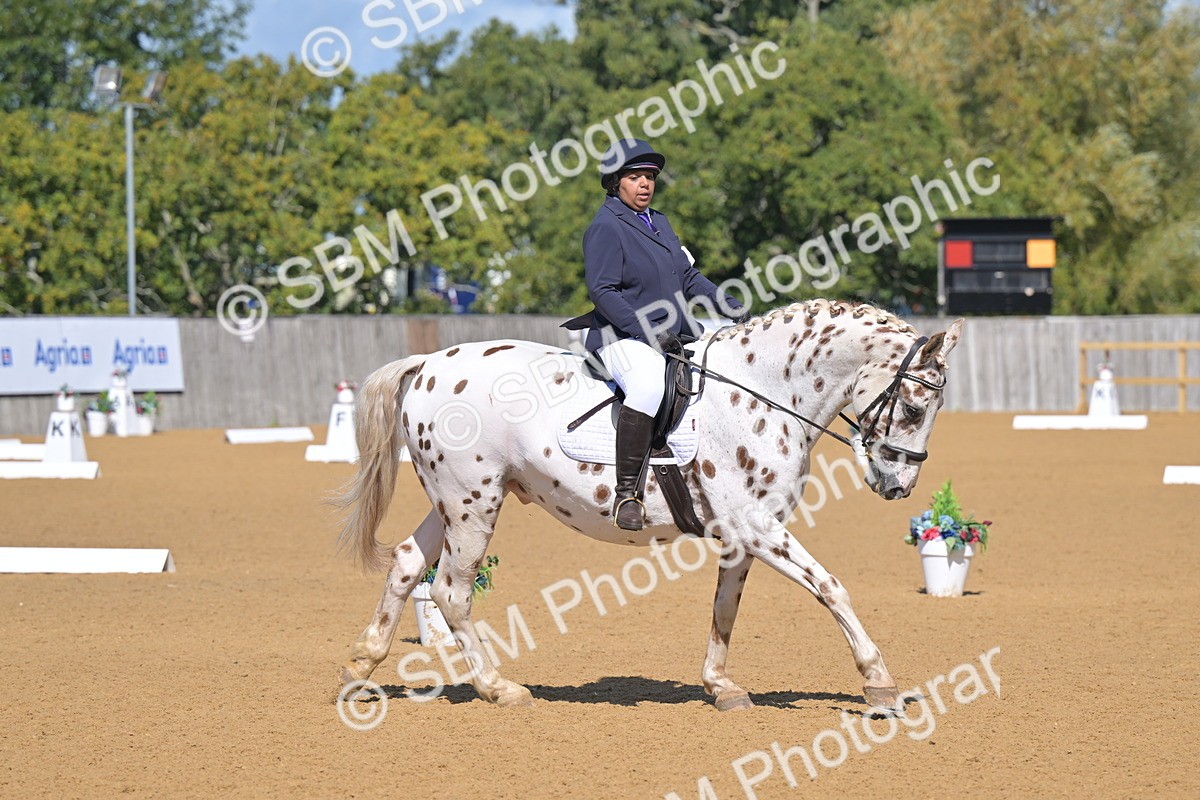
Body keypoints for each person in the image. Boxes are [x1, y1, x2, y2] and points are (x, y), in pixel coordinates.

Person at [566, 139, 749, 531]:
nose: (645, 184)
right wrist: (649, 332)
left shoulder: (660, 222)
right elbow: (603, 291)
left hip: (671, 334)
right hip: (620, 338)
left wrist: (729, 305)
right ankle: (627, 493)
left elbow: (687, 276)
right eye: (635, 177)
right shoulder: (606, 226)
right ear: (616, 183)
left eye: (649, 176)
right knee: (648, 385)